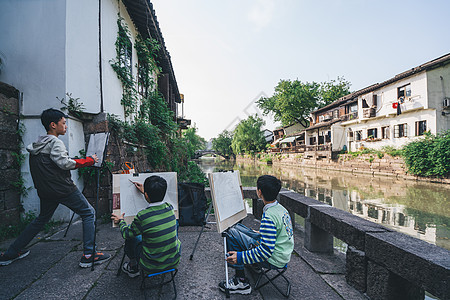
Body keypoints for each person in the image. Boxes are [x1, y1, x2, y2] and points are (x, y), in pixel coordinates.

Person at [0, 108, 111, 267]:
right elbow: (64, 163)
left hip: (46, 190)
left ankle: (11, 253)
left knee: (40, 220)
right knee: (88, 212)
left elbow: (54, 163)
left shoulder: (39, 143)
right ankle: (89, 254)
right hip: (62, 189)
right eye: (64, 123)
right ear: (53, 125)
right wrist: (89, 160)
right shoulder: (55, 142)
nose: (66, 126)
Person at [219, 175, 294, 295]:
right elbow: (281, 233)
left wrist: (240, 257)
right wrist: (260, 233)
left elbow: (265, 251)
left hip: (273, 259)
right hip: (283, 254)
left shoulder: (269, 216)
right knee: (237, 227)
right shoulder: (281, 209)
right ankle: (254, 264)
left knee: (230, 232)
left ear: (259, 192)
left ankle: (241, 281)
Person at [111, 175, 181, 278]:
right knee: (175, 224)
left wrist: (121, 221)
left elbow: (126, 234)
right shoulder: (170, 208)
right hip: (173, 261)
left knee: (132, 236)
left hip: (151, 265)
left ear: (147, 195)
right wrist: (146, 192)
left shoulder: (143, 216)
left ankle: (133, 266)